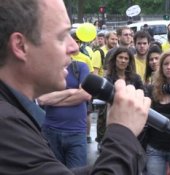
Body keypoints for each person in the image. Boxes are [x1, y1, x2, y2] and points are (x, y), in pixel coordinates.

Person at [0, 0, 151, 174]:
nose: (73, 47)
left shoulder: (12, 112)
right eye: (62, 36)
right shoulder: (6, 126)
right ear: (20, 46)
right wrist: (123, 133)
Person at [37, 61, 91, 168]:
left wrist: (54, 100)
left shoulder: (80, 67)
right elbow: (41, 99)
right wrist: (70, 92)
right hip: (50, 132)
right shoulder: (47, 68)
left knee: (78, 171)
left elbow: (85, 95)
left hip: (76, 133)